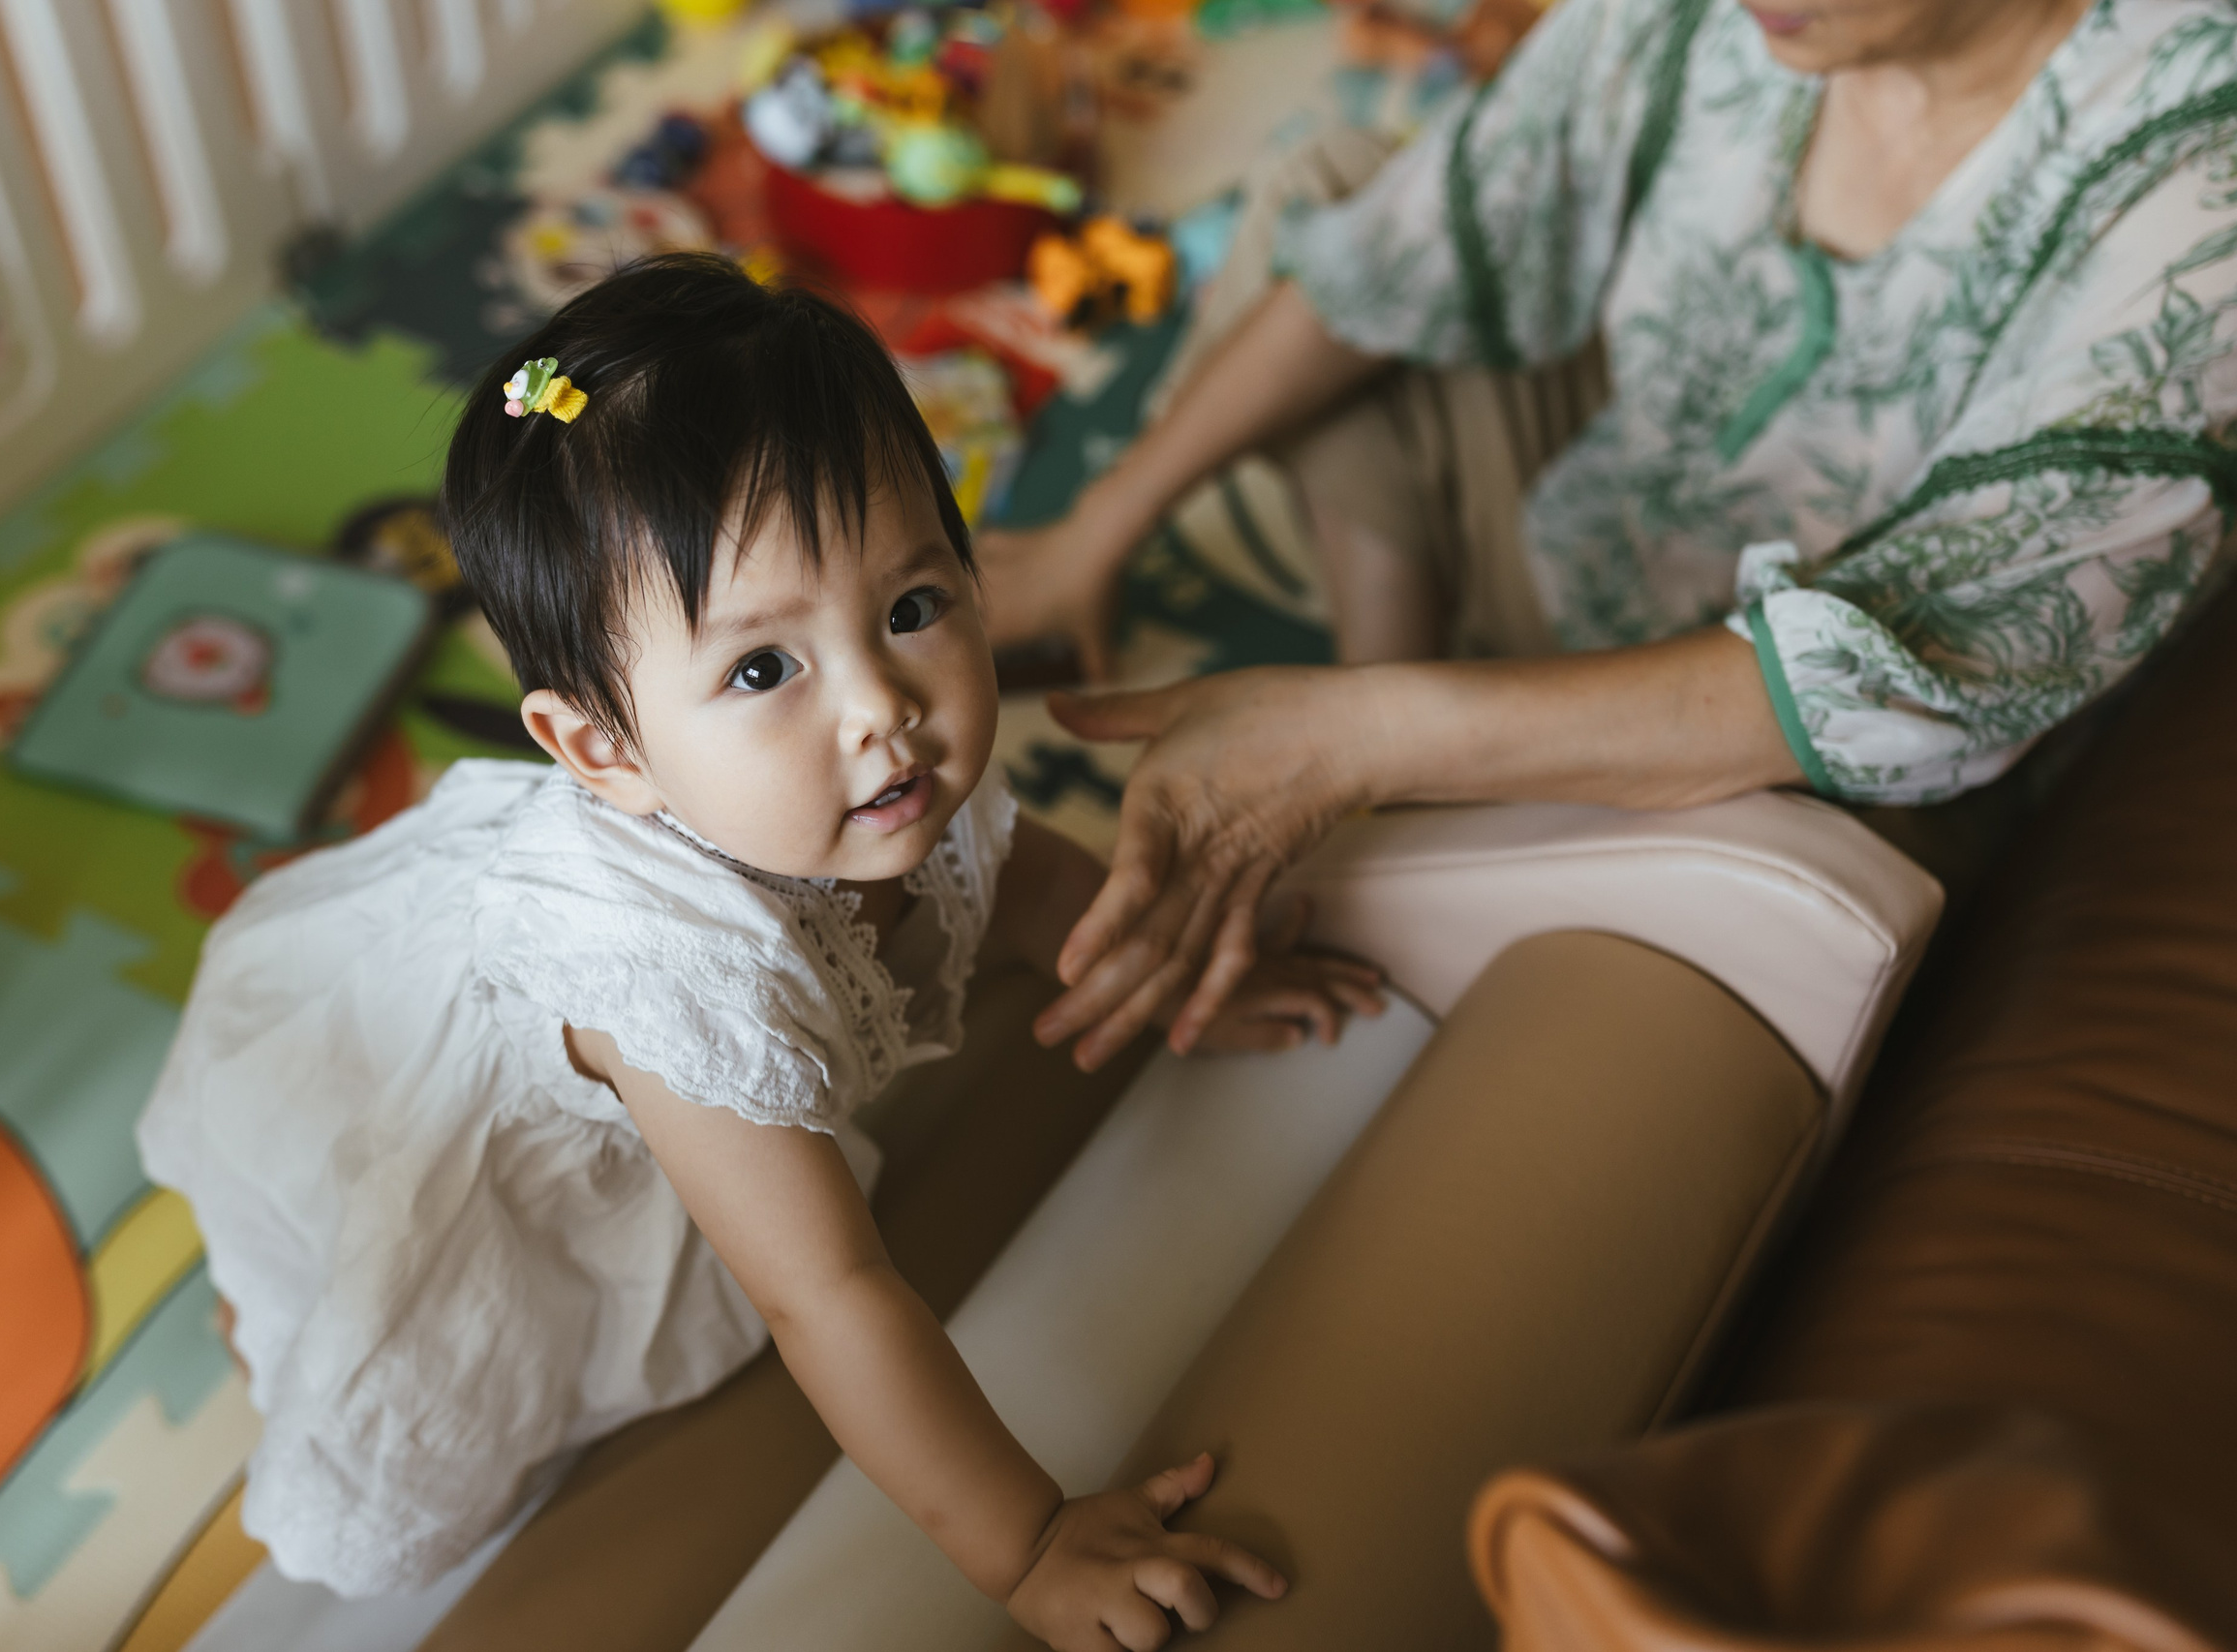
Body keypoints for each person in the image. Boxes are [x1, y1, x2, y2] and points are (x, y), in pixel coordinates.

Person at [137, 255, 1381, 1646]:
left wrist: (1174, 974)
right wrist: (1029, 1544)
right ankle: (268, 1325)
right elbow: (828, 1292)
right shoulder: (666, 967)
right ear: (604, 749)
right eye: (761, 668)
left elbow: (1025, 880)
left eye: (914, 606)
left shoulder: (875, 775)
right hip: (377, 1076)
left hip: (566, 1039)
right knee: (406, 1371)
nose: (883, 709)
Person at [991, 0, 2237, 1073]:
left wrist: (1360, 741)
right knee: (1337, 185)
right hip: (1594, 539)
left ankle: (1397, 767)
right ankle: (1394, 728)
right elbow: (1431, 231)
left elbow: (1925, 670)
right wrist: (1089, 537)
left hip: (1816, 764)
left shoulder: (2197, 166)